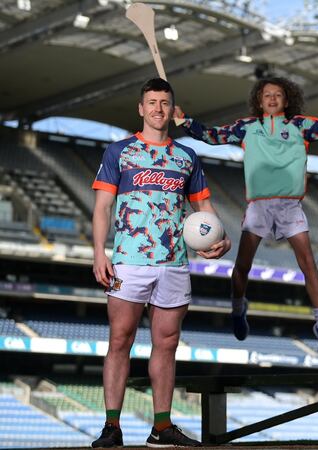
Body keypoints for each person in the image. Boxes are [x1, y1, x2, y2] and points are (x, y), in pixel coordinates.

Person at [91, 78, 231, 448]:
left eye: (164, 103)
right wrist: (98, 252)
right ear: (141, 108)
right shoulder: (119, 152)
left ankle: (162, 427)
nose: (158, 108)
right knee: (119, 340)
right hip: (128, 262)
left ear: (172, 109)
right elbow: (103, 206)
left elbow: (203, 208)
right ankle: (112, 427)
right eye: (151, 102)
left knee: (166, 343)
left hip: (173, 263)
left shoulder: (186, 158)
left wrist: (221, 236)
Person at [174, 77, 318, 356]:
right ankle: (237, 308)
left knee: (307, 263)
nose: (271, 98)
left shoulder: (300, 125)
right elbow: (213, 135)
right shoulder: (247, 128)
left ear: (287, 100)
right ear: (259, 100)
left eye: (277, 94)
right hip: (259, 206)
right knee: (242, 264)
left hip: (290, 206)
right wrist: (185, 122)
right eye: (266, 94)